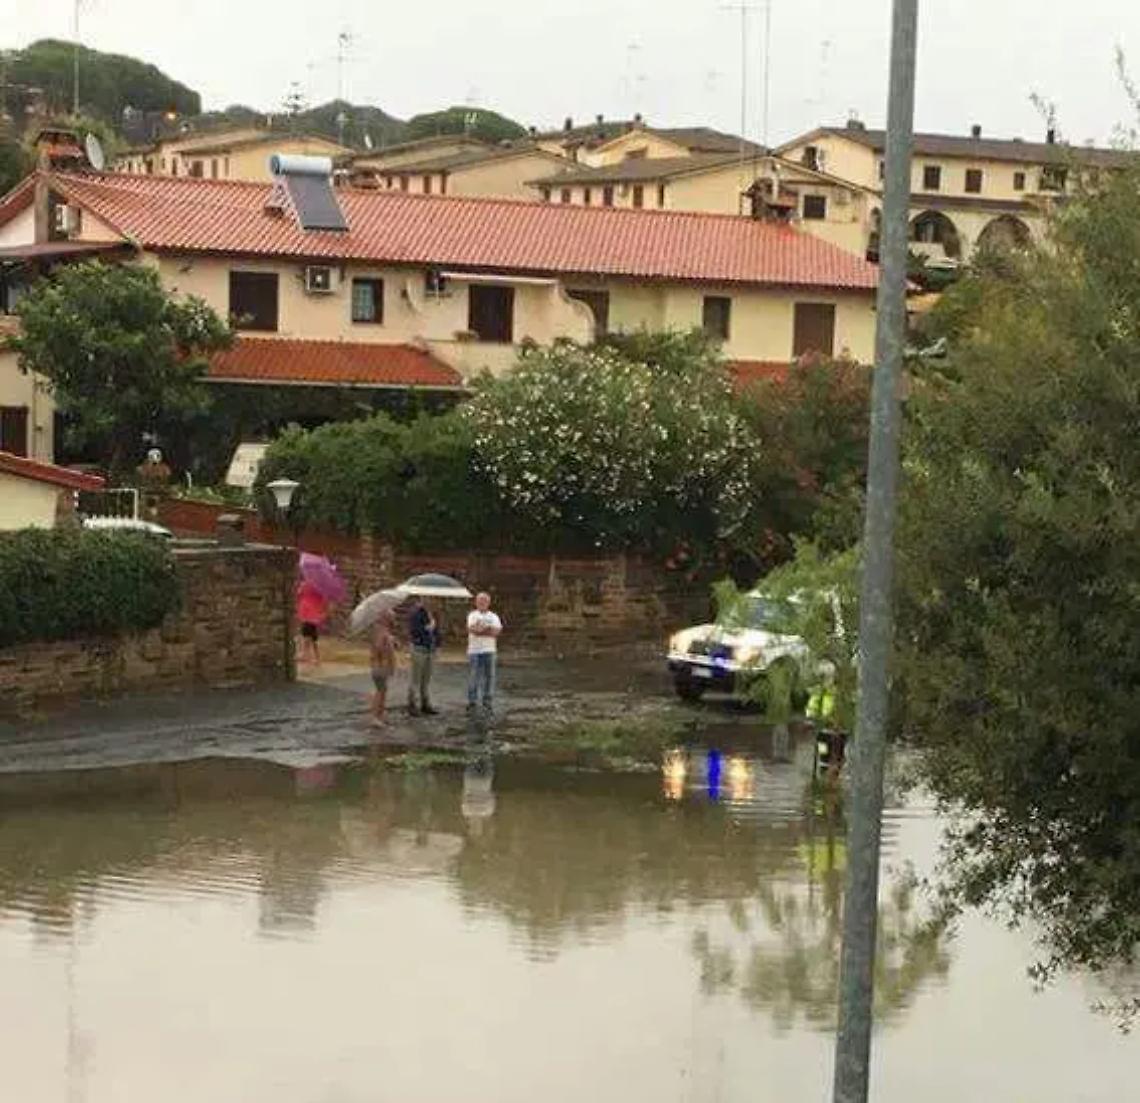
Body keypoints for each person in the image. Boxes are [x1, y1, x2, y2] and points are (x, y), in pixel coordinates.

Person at [466, 592, 503, 716]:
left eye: (485, 601)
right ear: (476, 602)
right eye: (480, 601)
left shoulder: (494, 616)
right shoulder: (472, 615)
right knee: (474, 676)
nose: (482, 603)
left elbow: (496, 632)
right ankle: (472, 701)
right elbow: (472, 630)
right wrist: (487, 630)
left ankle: (487, 701)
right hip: (474, 651)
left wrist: (482, 629)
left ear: (488, 603)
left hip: (490, 650)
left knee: (490, 677)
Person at [406, 597, 440, 716]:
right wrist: (427, 628)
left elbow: (437, 631)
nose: (431, 602)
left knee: (426, 678)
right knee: (416, 678)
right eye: (428, 599)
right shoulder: (415, 613)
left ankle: (425, 703)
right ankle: (412, 704)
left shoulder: (432, 614)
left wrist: (437, 645)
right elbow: (414, 631)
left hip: (430, 649)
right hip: (419, 648)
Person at [369, 610, 398, 727]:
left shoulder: (385, 632)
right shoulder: (381, 632)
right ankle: (375, 717)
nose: (394, 620)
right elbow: (378, 647)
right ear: (386, 619)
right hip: (380, 666)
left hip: (384, 667)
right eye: (392, 617)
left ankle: (380, 715)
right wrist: (387, 641)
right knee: (380, 692)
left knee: (383, 691)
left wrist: (392, 642)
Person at [295, 579, 328, 666]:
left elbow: (298, 594)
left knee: (309, 636)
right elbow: (323, 601)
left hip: (307, 614)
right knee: (309, 636)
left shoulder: (306, 584)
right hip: (313, 615)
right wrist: (322, 613)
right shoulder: (321, 588)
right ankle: (308, 655)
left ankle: (312, 657)